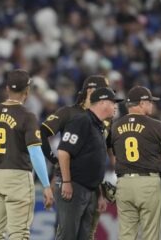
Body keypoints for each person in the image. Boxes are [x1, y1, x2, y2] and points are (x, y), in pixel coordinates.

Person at [0, 69, 54, 239]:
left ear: (7, 88)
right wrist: (46, 185)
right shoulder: (27, 116)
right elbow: (35, 152)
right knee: (18, 234)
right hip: (18, 178)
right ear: (27, 91)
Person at [40, 75, 112, 239]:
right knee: (66, 231)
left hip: (92, 184)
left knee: (87, 234)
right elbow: (41, 134)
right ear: (91, 91)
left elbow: (105, 151)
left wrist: (100, 192)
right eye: (104, 91)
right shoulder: (69, 112)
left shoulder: (105, 118)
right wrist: (54, 160)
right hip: (69, 180)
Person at [55, 87, 122, 240]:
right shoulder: (81, 120)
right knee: (68, 235)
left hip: (89, 189)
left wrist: (99, 194)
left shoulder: (98, 126)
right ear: (103, 102)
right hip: (74, 187)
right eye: (113, 103)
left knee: (84, 236)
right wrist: (66, 181)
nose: (115, 107)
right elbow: (63, 152)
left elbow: (94, 164)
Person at [110, 86, 161, 240]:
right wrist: (160, 158)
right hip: (148, 183)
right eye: (150, 101)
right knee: (151, 234)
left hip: (123, 183)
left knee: (126, 235)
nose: (152, 104)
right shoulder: (156, 125)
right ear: (142, 103)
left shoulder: (115, 126)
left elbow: (113, 153)